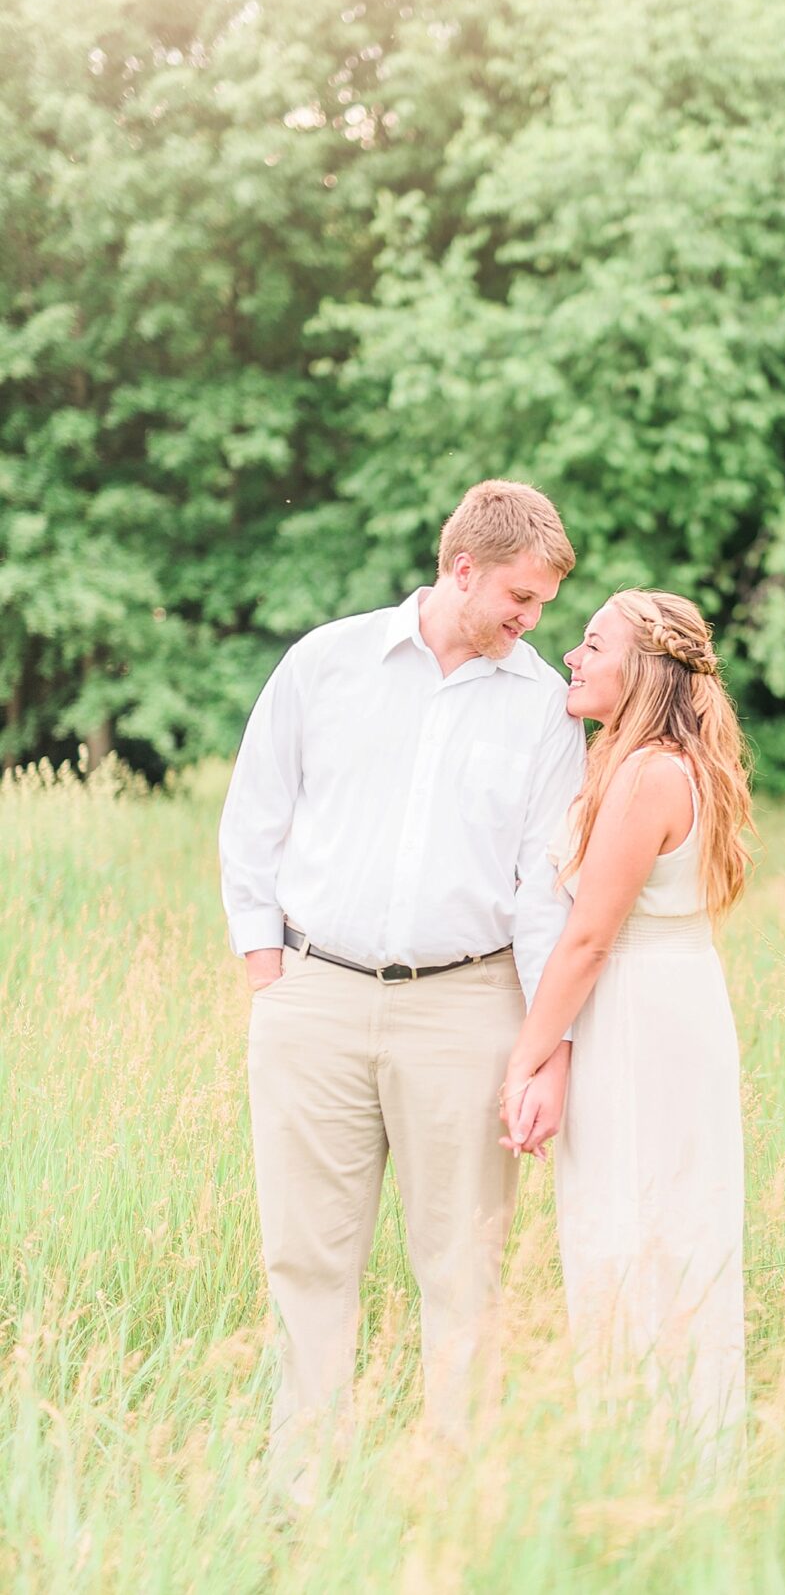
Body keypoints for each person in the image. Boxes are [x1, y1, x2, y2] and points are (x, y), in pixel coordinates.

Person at [218, 479, 586, 1495]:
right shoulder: (326, 662)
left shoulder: (545, 710)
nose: (531, 617)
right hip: (314, 998)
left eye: (544, 603)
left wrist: (539, 1049)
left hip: (468, 1009)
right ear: (461, 568)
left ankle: (454, 1498)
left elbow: (542, 893)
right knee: (306, 1257)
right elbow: (256, 811)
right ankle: (302, 1489)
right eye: (519, 594)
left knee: (464, 1267)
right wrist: (266, 964)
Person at [501, 587, 754, 1453]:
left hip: (642, 1020)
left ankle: (654, 1452)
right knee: (658, 1225)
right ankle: (658, 1443)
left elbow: (586, 939)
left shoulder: (649, 774)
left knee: (642, 1228)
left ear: (640, 668)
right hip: (668, 1003)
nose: (573, 655)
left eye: (592, 644)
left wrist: (526, 1060)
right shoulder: (655, 761)